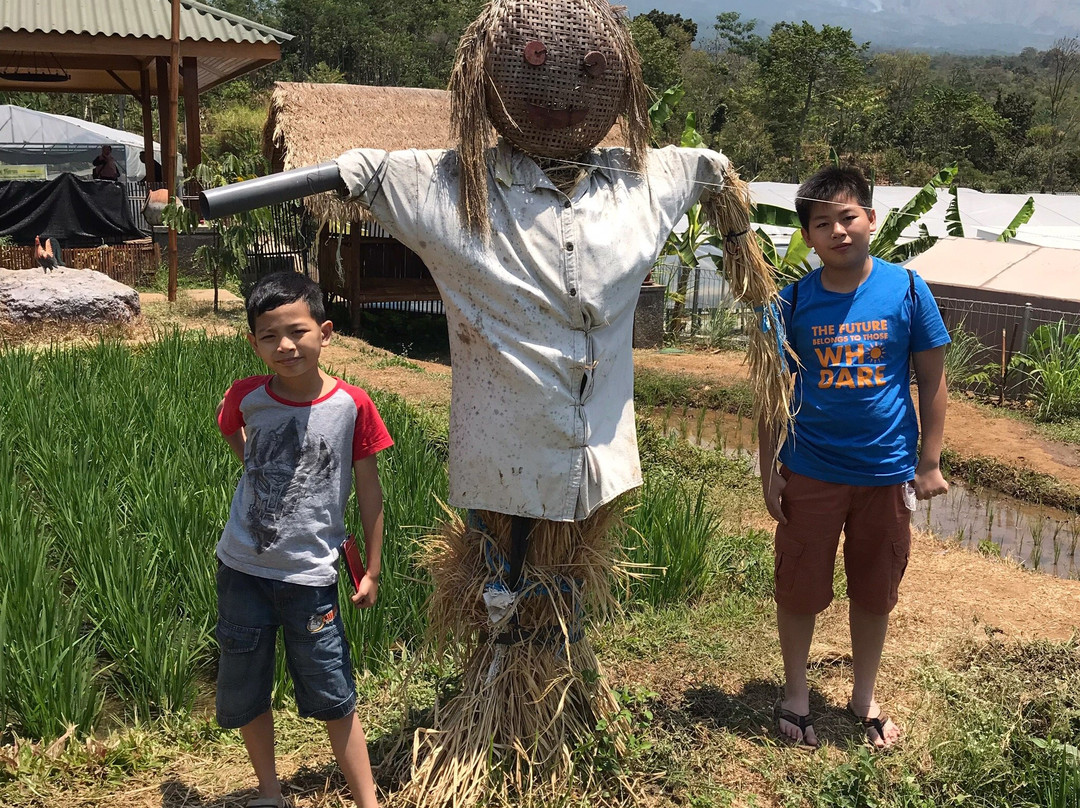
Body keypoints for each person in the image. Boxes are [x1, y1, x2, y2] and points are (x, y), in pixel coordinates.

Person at [757, 165, 950, 750]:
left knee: (874, 588)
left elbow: (932, 379)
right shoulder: (790, 302)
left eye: (847, 217)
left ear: (871, 219)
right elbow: (770, 395)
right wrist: (768, 471)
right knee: (799, 587)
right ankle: (796, 694)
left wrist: (929, 462)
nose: (838, 231)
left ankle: (863, 696)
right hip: (810, 470)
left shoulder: (908, 290)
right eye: (822, 224)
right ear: (807, 237)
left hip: (886, 473)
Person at [214, 271, 392, 808]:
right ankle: (270, 793)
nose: (285, 346)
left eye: (297, 331)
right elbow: (228, 425)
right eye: (269, 336)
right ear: (253, 343)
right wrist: (255, 465)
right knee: (248, 686)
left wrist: (372, 569)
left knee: (334, 693)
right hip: (242, 569)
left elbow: (370, 491)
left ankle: (368, 802)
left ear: (325, 332)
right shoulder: (247, 395)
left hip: (310, 578)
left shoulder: (352, 405)